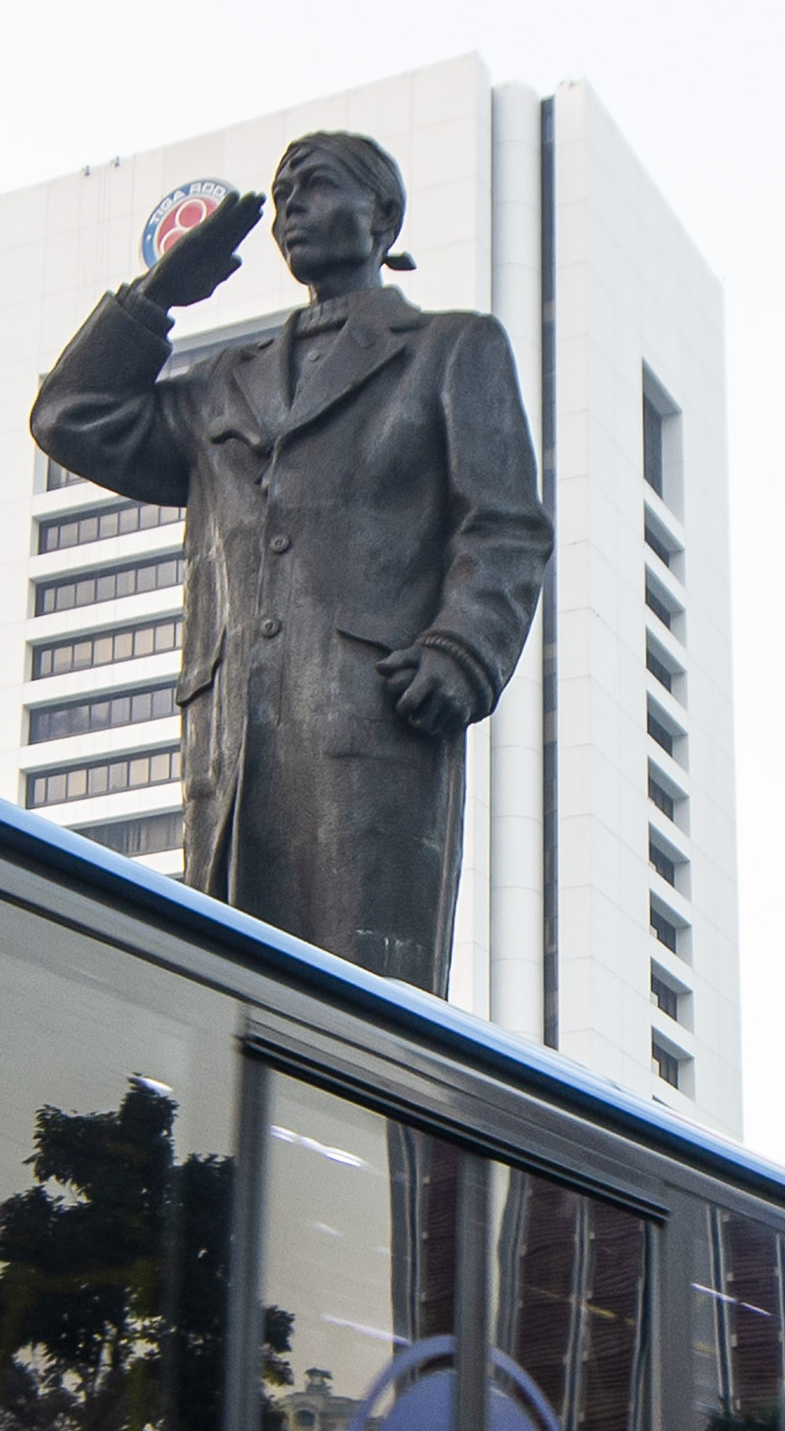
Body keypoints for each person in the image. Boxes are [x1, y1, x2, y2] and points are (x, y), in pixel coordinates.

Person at [27, 131, 548, 992]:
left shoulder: (450, 348)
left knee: (365, 1018)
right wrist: (157, 297)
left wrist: (463, 649)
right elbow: (69, 417)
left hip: (371, 724)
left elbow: (506, 526)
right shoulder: (222, 383)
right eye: (280, 196)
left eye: (315, 187)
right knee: (227, 1008)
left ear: (382, 215)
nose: (290, 209)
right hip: (230, 746)